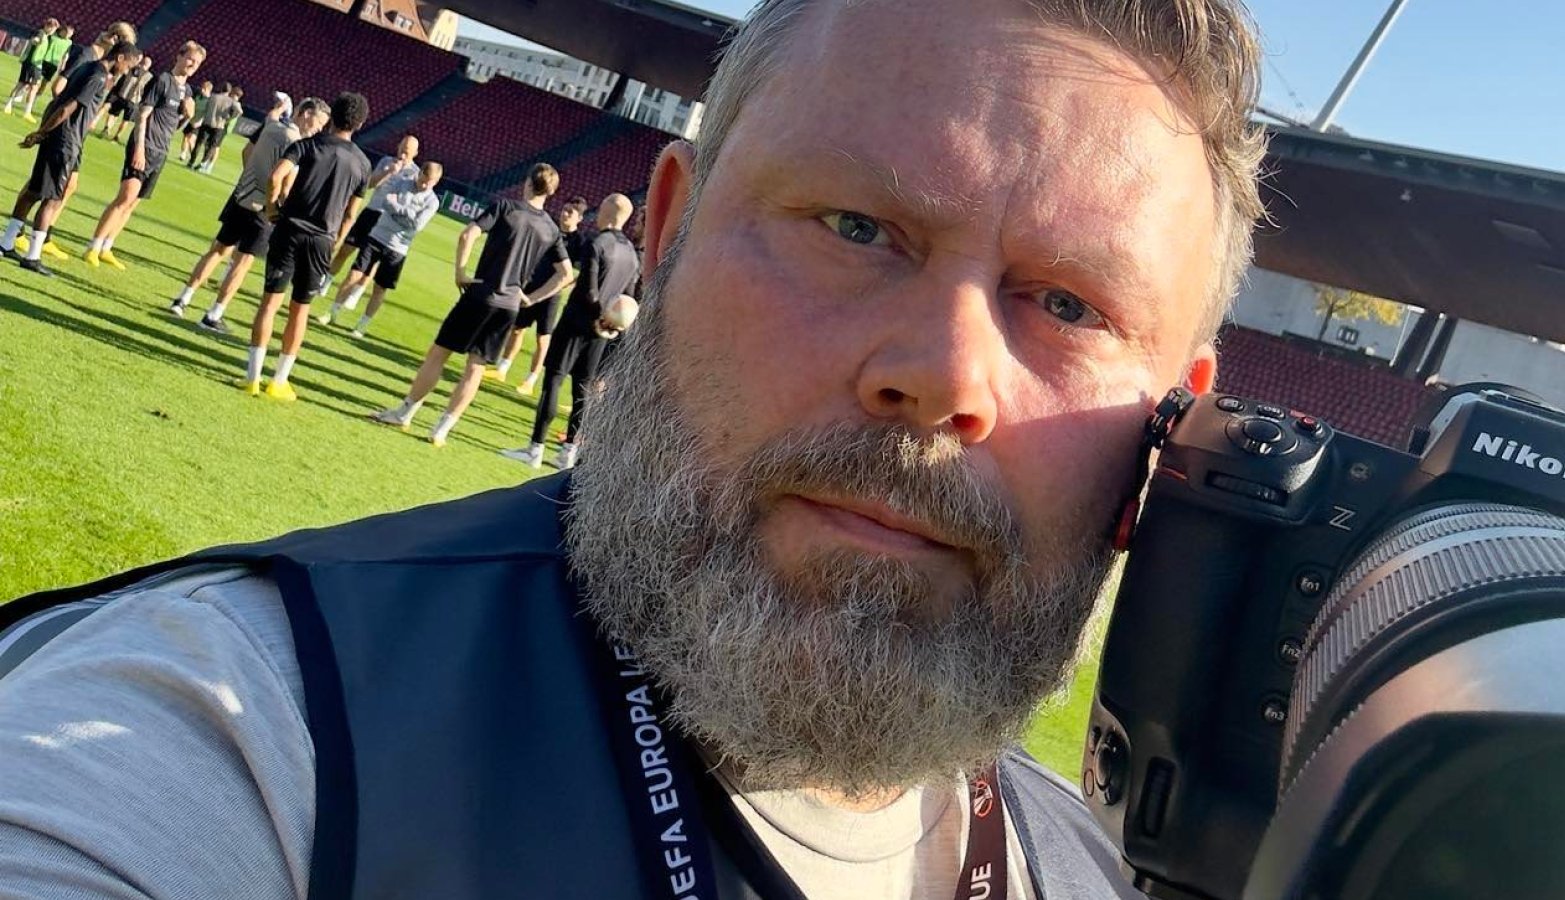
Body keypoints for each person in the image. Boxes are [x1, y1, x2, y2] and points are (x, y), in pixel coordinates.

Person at [0, 1, 1268, 897]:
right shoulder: (249, 731)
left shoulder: (1086, 871)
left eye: (1069, 305)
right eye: (854, 226)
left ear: (1178, 426)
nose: (942, 376)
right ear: (667, 238)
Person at [370, 163, 571, 446]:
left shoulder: (506, 207)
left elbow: (468, 234)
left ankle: (405, 413)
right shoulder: (550, 228)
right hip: (509, 306)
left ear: (528, 182)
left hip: (480, 294)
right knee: (475, 368)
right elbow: (566, 274)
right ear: (551, 192)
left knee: (439, 353)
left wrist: (460, 272)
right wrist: (532, 298)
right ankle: (442, 429)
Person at [243, 92, 372, 400]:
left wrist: (272, 208)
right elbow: (351, 214)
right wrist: (335, 242)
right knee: (300, 310)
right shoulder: (364, 164)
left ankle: (252, 378)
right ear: (360, 124)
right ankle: (279, 381)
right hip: (322, 240)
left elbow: (276, 177)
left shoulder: (307, 144)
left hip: (289, 230)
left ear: (331, 117)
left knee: (269, 304)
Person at [500, 193, 639, 470]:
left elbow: (589, 290)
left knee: (553, 380)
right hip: (603, 333)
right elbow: (629, 298)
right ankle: (568, 452)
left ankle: (535, 447)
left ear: (608, 211)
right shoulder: (631, 255)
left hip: (576, 323)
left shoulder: (597, 243)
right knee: (583, 392)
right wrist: (610, 322)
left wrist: (597, 314)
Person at [170, 97, 330, 328]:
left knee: (218, 250)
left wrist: (251, 178)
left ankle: (182, 299)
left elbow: (247, 151)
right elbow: (286, 185)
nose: (320, 129)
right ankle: (214, 314)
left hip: (242, 195)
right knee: (243, 262)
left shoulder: (271, 126)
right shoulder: (297, 144)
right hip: (264, 208)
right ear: (306, 114)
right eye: (319, 122)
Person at [0, 40, 142, 277]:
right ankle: (33, 256)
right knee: (52, 198)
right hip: (66, 141)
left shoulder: (88, 67)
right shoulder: (98, 76)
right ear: (119, 58)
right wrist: (41, 132)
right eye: (128, 65)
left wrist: (44, 132)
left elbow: (61, 99)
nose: (127, 71)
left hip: (58, 138)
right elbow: (68, 107)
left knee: (34, 190)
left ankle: (5, 243)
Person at [83, 43, 206, 271]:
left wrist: (187, 117)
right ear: (179, 56)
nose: (193, 65)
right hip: (144, 145)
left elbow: (174, 127)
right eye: (190, 59)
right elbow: (143, 115)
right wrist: (139, 148)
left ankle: (107, 247)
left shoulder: (187, 91)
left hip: (161, 151)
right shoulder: (162, 80)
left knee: (132, 204)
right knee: (125, 197)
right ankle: (93, 246)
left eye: (197, 63)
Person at [316, 161, 444, 336]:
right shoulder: (402, 182)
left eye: (429, 183)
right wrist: (408, 213)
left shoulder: (432, 201)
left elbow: (417, 225)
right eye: (423, 180)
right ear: (420, 173)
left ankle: (361, 325)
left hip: (398, 248)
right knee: (354, 274)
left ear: (436, 181)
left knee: (380, 288)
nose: (424, 185)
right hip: (376, 236)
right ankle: (332, 312)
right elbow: (386, 202)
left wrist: (398, 209)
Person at [490, 194, 587, 390]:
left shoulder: (580, 242)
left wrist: (567, 284)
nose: (565, 214)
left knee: (542, 338)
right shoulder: (551, 230)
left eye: (570, 212)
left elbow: (586, 271)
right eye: (564, 210)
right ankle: (502, 368)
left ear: (580, 218)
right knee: (517, 329)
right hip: (530, 287)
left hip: (551, 296)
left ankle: (531, 380)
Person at [316, 133, 420, 297]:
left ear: (415, 153)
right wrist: (388, 173)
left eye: (407, 151)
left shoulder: (415, 174)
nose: (403, 154)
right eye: (402, 149)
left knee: (371, 261)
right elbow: (369, 184)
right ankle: (325, 280)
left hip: (387, 219)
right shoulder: (386, 161)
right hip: (371, 212)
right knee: (346, 248)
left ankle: (356, 293)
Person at [1, 18, 58, 121]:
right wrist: (36, 41)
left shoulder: (46, 36)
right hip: (32, 64)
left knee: (29, 86)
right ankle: (20, 110)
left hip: (35, 65)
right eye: (52, 29)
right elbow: (35, 40)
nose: (53, 31)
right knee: (26, 86)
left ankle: (15, 107)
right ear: (47, 26)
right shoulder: (41, 33)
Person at [95, 54, 153, 142]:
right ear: (148, 66)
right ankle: (117, 136)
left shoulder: (132, 67)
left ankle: (107, 128)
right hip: (133, 100)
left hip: (122, 95)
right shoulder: (149, 76)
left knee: (113, 113)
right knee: (126, 120)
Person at [190, 82, 241, 173]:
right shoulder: (231, 101)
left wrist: (199, 118)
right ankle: (203, 163)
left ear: (221, 89)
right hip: (219, 125)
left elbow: (205, 108)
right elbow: (239, 111)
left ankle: (191, 161)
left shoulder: (213, 97)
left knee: (199, 143)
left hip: (207, 122)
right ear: (229, 91)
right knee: (212, 146)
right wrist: (230, 118)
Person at [178, 80, 212, 164]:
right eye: (202, 88)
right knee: (186, 137)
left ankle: (192, 156)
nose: (202, 90)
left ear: (208, 90)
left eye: (204, 89)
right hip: (191, 120)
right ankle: (183, 153)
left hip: (198, 123)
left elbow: (207, 114)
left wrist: (200, 122)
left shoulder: (209, 101)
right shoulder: (197, 95)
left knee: (191, 140)